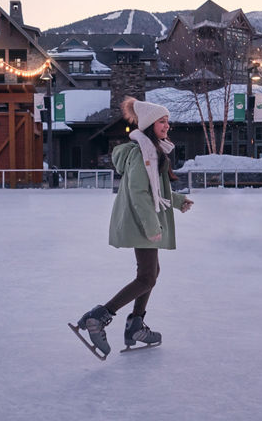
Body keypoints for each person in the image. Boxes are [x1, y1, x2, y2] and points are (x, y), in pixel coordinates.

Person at [75, 96, 193, 357]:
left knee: (150, 272)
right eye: (162, 122)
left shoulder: (153, 150)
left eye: (167, 121)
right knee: (147, 276)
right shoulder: (144, 153)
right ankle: (99, 316)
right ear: (151, 125)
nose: (167, 126)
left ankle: (135, 324)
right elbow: (139, 192)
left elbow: (156, 191)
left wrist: (178, 201)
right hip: (141, 219)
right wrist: (152, 225)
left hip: (144, 216)